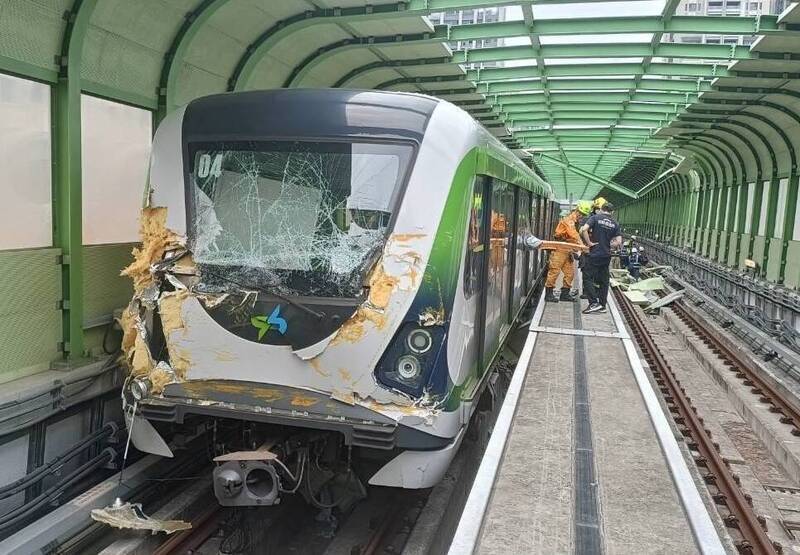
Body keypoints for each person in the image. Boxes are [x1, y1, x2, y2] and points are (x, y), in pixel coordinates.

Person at [544, 201, 591, 303]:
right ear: (577, 211)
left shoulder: (575, 222)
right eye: (581, 214)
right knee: (554, 271)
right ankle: (548, 294)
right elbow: (573, 234)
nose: (581, 216)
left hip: (567, 249)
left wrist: (575, 250)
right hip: (560, 248)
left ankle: (564, 294)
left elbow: (572, 238)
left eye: (583, 215)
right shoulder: (568, 220)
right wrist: (582, 247)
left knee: (570, 273)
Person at [579, 202, 622, 314]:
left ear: (601, 209)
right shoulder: (615, 223)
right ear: (612, 212)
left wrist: (589, 243)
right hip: (606, 255)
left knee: (587, 277)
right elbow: (618, 242)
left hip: (594, 254)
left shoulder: (595, 218)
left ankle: (593, 303)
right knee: (604, 281)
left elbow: (584, 229)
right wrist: (607, 245)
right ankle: (602, 305)